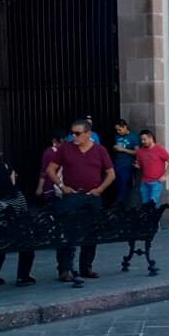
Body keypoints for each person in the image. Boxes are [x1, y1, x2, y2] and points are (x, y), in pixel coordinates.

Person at [46, 119, 115, 281]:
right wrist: (62, 186)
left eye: (77, 133)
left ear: (88, 134)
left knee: (91, 231)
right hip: (72, 195)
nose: (73, 136)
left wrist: (100, 189)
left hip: (92, 196)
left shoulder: (100, 150)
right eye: (72, 133)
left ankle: (86, 266)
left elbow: (111, 173)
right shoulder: (65, 149)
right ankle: (64, 268)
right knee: (66, 230)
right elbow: (50, 169)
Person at [0, 162, 36, 287]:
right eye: (13, 175)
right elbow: (24, 215)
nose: (14, 178)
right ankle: (23, 277)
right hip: (15, 237)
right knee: (28, 246)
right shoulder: (17, 195)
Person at [134, 130, 169, 205]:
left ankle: (155, 216)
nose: (143, 142)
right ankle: (148, 217)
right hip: (144, 182)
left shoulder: (159, 149)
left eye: (144, 139)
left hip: (156, 182)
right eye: (141, 140)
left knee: (153, 203)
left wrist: (165, 176)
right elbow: (140, 166)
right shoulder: (140, 151)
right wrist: (137, 166)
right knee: (145, 204)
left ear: (150, 138)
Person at [112, 119, 141, 204]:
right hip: (117, 163)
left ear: (125, 127)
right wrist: (115, 148)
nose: (118, 131)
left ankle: (118, 205)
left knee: (123, 187)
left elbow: (137, 152)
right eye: (116, 130)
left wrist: (123, 150)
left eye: (119, 129)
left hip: (127, 165)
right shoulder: (117, 135)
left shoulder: (133, 136)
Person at [35, 130, 64, 202]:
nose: (63, 143)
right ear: (54, 140)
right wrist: (40, 187)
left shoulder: (65, 151)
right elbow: (43, 171)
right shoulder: (48, 153)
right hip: (51, 186)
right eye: (61, 140)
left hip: (64, 186)